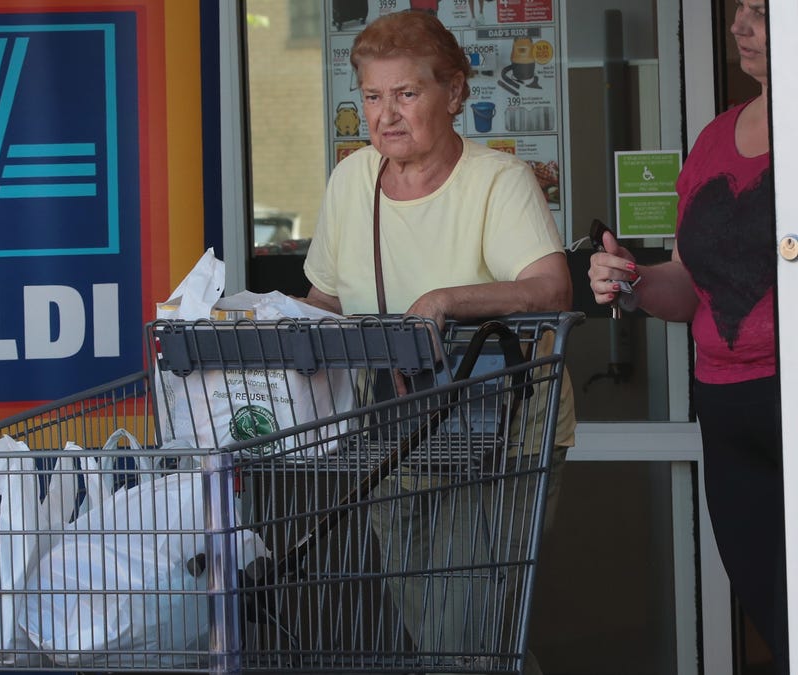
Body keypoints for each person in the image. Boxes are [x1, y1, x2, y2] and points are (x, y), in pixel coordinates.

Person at [302, 11, 574, 675]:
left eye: (406, 94)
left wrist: (446, 300)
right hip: (396, 430)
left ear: (453, 94)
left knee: (464, 630)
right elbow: (326, 302)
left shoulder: (496, 182)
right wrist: (248, 329)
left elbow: (550, 288)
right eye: (371, 96)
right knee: (447, 638)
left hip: (498, 432)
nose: (385, 115)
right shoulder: (351, 182)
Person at [588, 0, 787, 671]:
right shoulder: (715, 137)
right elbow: (687, 281)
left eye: (761, 12)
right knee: (774, 611)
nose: (739, 26)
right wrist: (634, 282)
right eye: (739, 10)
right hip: (728, 404)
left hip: (789, 392)